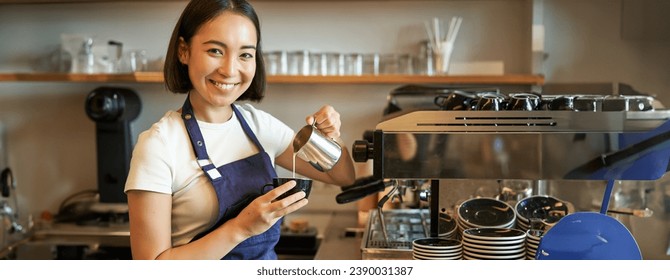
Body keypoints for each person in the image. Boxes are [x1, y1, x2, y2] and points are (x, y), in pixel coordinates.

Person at [124, 0, 356, 260]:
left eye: (245, 54)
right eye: (215, 51)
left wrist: (329, 137)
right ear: (184, 51)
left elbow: (342, 176)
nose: (230, 70)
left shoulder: (259, 126)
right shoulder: (159, 145)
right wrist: (240, 228)